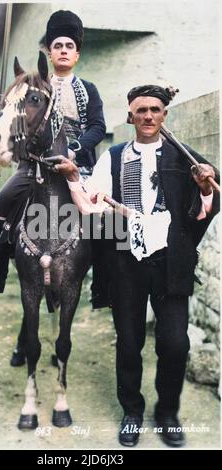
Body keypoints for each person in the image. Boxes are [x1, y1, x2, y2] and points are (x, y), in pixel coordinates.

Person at [53, 84, 220, 447]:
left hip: (170, 260)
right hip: (125, 258)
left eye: (155, 110)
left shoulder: (183, 157)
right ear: (130, 116)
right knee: (129, 341)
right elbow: (91, 204)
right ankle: (131, 410)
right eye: (141, 110)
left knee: (175, 344)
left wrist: (205, 187)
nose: (148, 116)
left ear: (164, 115)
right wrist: (71, 176)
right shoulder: (112, 156)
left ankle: (167, 413)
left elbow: (205, 205)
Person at [0, 10, 106, 296]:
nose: (64, 51)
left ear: (77, 54)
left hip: (77, 166)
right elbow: (16, 119)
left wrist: (74, 150)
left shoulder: (88, 90)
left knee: (103, 217)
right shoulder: (32, 87)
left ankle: (103, 282)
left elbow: (97, 126)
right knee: (1, 200)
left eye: (70, 46)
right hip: (34, 165)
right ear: (49, 52)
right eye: (58, 46)